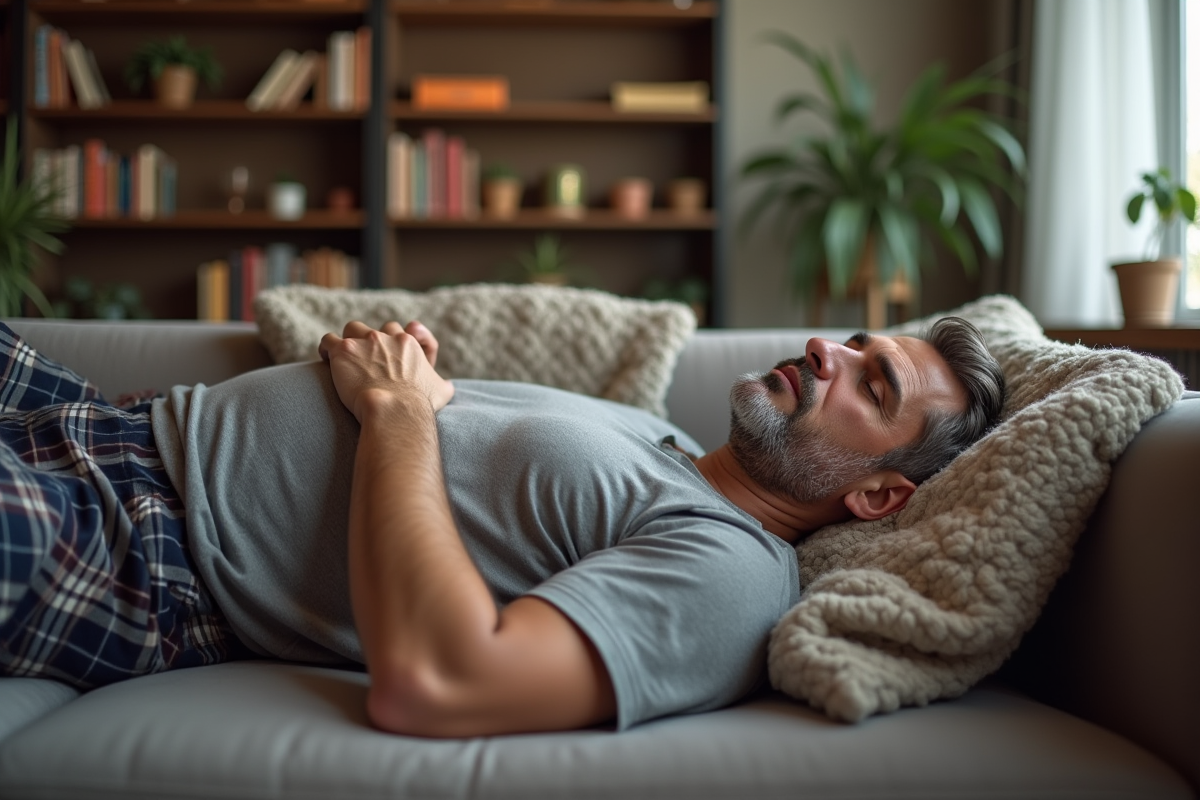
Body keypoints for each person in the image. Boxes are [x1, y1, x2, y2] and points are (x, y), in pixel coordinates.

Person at [0, 315, 1004, 738]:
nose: (828, 347)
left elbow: (442, 678)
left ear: (878, 496)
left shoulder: (735, 570)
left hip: (139, 542)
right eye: (858, 339)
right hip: (111, 414)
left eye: (870, 383)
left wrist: (393, 408)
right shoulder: (659, 442)